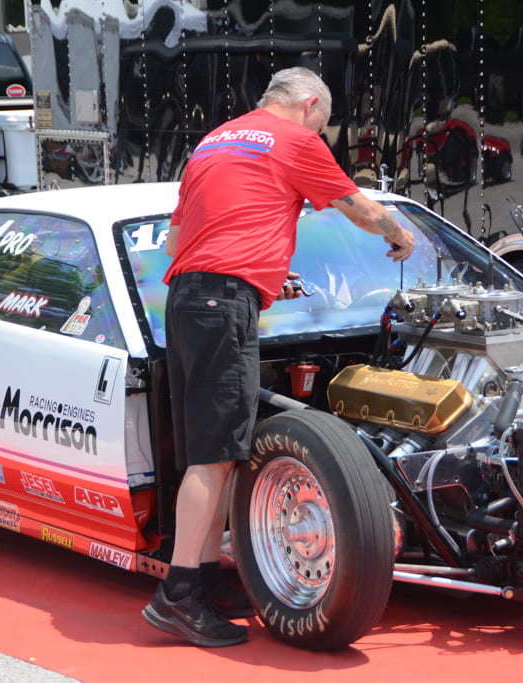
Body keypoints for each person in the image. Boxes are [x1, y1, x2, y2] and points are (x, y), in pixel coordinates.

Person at [141, 66, 415, 648]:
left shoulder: (214, 142)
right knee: (215, 457)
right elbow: (354, 204)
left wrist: (258, 269)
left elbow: (177, 238)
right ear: (311, 104)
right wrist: (397, 234)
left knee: (213, 454)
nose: (322, 131)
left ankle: (208, 583)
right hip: (223, 303)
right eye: (324, 121)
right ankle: (179, 596)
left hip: (189, 299)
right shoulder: (294, 139)